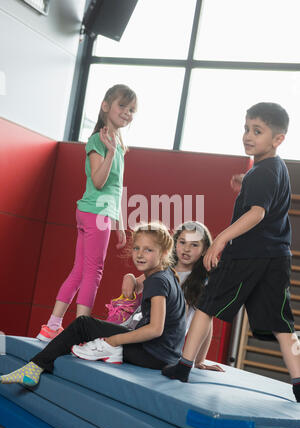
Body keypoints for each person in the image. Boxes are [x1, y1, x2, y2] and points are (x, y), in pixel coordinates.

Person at [162, 102, 300, 403]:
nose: (248, 136)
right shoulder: (275, 168)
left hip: (248, 254)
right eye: (246, 128)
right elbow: (268, 200)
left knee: (206, 306)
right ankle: (299, 381)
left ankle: (183, 366)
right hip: (277, 256)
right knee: (281, 322)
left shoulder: (262, 173)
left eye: (258, 131)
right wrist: (244, 182)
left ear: (278, 139)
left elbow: (257, 214)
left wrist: (221, 239)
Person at [0, 222, 186, 386]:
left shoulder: (156, 281)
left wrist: (113, 340)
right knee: (95, 328)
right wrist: (129, 277)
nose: (139, 255)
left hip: (153, 354)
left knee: (83, 324)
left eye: (148, 250)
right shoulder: (166, 274)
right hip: (165, 354)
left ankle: (35, 367)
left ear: (163, 253)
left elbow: (155, 329)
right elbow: (139, 288)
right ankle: (94, 350)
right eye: (136, 248)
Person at [36, 84, 137, 343]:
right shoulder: (98, 140)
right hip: (94, 213)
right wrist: (111, 152)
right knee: (94, 272)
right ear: (106, 106)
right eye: (122, 106)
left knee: (80, 271)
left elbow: (117, 188)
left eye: (132, 110)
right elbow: (99, 181)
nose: (127, 113)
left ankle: (52, 325)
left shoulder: (117, 142)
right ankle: (81, 332)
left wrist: (120, 222)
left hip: (98, 213)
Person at [121, 221, 224, 371]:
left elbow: (206, 323)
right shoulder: (162, 269)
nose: (187, 249)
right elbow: (136, 285)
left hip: (162, 343)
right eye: (182, 242)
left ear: (204, 250)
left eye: (194, 245)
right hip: (139, 329)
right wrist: (129, 278)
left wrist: (199, 360)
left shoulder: (203, 283)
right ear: (175, 244)